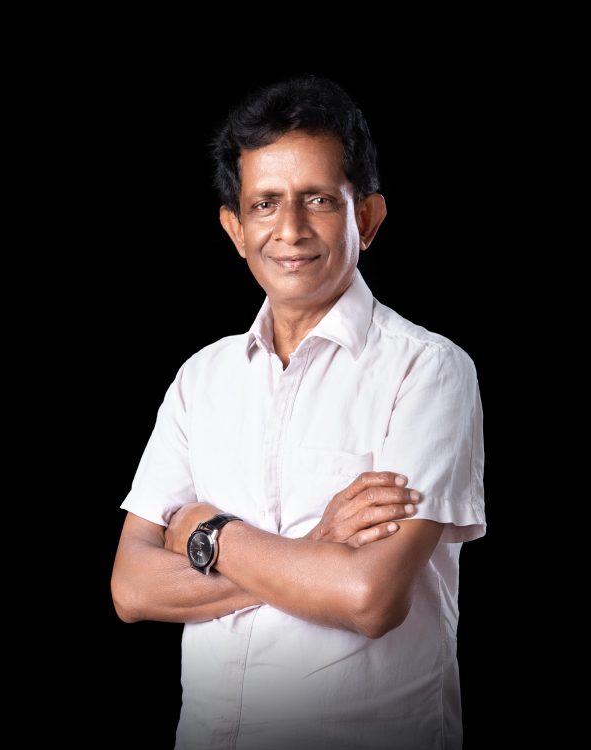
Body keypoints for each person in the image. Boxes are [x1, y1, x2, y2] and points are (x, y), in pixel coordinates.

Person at [111, 75, 485, 750]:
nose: (289, 229)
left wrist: (205, 534)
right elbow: (133, 588)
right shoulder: (201, 380)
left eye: (318, 199)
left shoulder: (427, 371)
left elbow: (369, 598)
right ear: (235, 229)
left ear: (367, 217)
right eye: (265, 204)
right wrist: (318, 553)